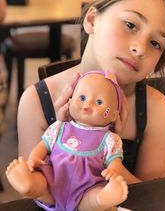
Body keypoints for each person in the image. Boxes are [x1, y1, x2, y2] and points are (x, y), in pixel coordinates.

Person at [16, 0, 165, 192]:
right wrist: (63, 132)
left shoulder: (155, 108)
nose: (140, 48)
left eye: (155, 43)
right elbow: (34, 193)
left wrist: (110, 147)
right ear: (92, 20)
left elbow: (154, 199)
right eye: (130, 25)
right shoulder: (36, 101)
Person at [6, 71, 128, 211]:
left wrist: (113, 171)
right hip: (54, 180)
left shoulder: (109, 139)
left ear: (113, 115)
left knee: (93, 199)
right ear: (70, 100)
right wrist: (34, 158)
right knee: (40, 183)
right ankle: (28, 185)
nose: (87, 104)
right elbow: (43, 145)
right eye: (82, 97)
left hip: (87, 189)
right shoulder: (59, 127)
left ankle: (102, 199)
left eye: (99, 102)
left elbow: (115, 161)